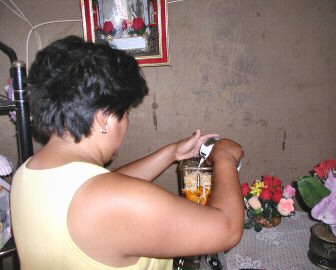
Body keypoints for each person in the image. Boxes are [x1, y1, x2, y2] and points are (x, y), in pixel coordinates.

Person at [10, 35, 245, 270]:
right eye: (125, 113)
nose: (126, 123)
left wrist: (171, 153)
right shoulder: (104, 199)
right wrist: (225, 156)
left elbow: (105, 185)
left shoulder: (27, 172)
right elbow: (227, 229)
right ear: (103, 118)